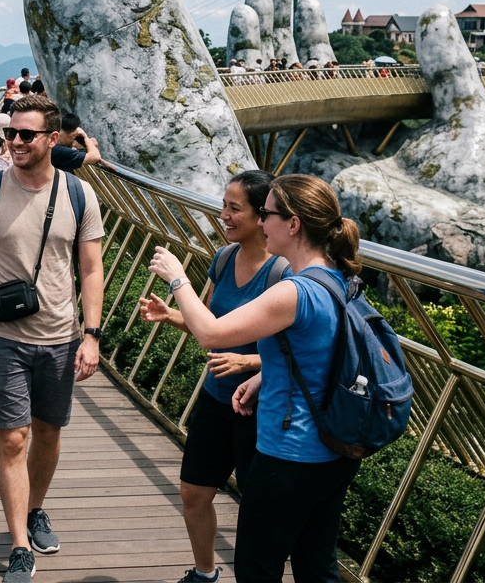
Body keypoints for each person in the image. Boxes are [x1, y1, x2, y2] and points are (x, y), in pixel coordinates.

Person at [148, 174, 364, 583]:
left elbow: (211, 333)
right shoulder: (338, 280)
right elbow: (317, 354)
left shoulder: (293, 291)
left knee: (256, 570)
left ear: (293, 224)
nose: (262, 224)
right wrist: (262, 379)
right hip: (331, 452)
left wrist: (178, 277)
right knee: (316, 567)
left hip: (289, 454)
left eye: (267, 214)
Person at [0, 94, 106, 582]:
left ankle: (35, 508)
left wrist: (92, 335)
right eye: (9, 133)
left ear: (51, 139)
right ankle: (20, 543)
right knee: (13, 439)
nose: (13, 142)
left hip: (60, 336)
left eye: (25, 135)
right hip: (1, 335)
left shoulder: (79, 195)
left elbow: (91, 268)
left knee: (48, 434)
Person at [139, 171, 282, 583]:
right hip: (217, 398)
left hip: (259, 407)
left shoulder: (281, 272)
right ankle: (205, 573)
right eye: (224, 205)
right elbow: (209, 326)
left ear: (262, 216)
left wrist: (250, 364)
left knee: (258, 508)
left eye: (234, 208)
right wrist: (170, 315)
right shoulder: (223, 258)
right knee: (193, 492)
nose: (223, 215)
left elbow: (296, 355)